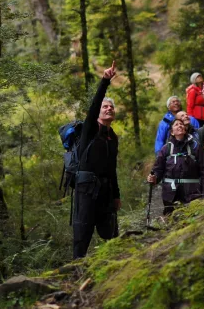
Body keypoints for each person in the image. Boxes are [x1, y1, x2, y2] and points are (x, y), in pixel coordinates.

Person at [72, 61, 121, 259]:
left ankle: (115, 266)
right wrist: (105, 81)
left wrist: (116, 194)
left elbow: (112, 168)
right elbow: (93, 107)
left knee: (111, 231)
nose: (108, 109)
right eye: (105, 107)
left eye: (111, 107)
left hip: (106, 189)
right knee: (83, 231)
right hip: (86, 189)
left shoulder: (113, 137)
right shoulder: (90, 130)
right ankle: (75, 272)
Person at [148, 88, 204, 215]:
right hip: (171, 195)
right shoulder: (166, 148)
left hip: (192, 193)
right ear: (171, 131)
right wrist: (154, 178)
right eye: (176, 124)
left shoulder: (195, 144)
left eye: (182, 124)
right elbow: (158, 169)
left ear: (185, 129)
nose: (180, 125)